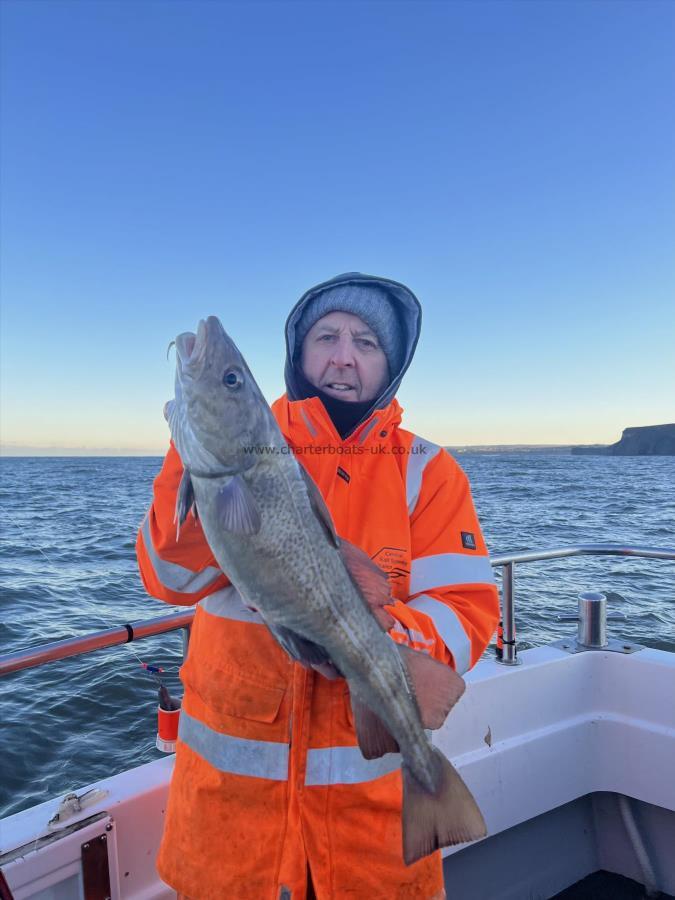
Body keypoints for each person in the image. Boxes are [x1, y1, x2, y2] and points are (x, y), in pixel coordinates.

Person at [136, 272, 500, 900]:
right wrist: (193, 453)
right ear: (298, 355)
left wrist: (375, 639)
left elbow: (465, 611)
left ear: (391, 362)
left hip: (370, 842)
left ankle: (429, 786)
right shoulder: (247, 448)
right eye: (326, 336)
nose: (342, 356)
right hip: (231, 835)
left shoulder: (430, 471)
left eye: (365, 342)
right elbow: (170, 579)